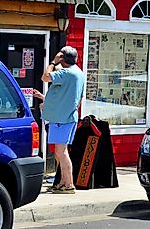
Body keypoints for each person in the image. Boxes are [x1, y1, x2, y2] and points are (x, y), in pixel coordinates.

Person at [41, 46, 86, 194]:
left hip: (62, 118)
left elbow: (45, 77)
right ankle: (61, 182)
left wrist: (53, 62)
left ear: (62, 58)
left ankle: (69, 185)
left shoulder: (66, 73)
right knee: (60, 152)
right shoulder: (78, 73)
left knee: (62, 152)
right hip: (68, 116)